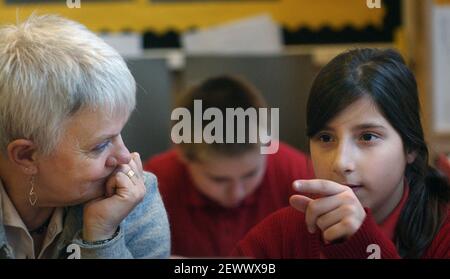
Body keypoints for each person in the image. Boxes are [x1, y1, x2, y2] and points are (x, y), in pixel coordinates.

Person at [232, 48, 450, 258]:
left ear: (410, 147)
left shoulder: (443, 232)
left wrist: (362, 244)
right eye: (326, 138)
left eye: (367, 137)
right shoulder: (282, 235)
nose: (341, 162)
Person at [0, 14, 170, 259]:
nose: (125, 158)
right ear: (26, 155)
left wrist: (102, 235)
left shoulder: (132, 201)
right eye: (101, 145)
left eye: (120, 133)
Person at [144, 75, 314, 257]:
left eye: (250, 174)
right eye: (219, 179)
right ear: (183, 156)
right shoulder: (153, 186)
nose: (237, 193)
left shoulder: (300, 176)